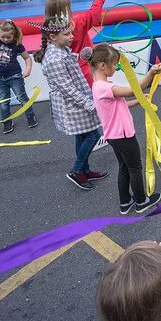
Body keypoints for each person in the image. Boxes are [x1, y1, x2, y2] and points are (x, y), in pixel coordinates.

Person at [82, 44, 161, 214]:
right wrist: (151, 73)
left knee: (125, 167)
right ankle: (141, 201)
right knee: (135, 167)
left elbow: (120, 104)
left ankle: (125, 202)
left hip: (114, 135)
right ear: (103, 65)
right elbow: (134, 89)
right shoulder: (106, 87)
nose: (116, 67)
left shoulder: (98, 86)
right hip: (123, 135)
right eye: (114, 64)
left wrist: (139, 101)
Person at [33, 16, 107, 191]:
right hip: (73, 105)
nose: (72, 37)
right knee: (93, 136)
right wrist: (89, 104)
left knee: (82, 135)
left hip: (79, 100)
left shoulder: (61, 50)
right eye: (66, 34)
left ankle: (85, 170)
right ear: (52, 37)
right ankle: (77, 170)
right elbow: (68, 89)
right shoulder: (54, 59)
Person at [44, 0, 109, 85]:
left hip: (67, 73)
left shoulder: (49, 31)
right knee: (93, 96)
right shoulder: (77, 22)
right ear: (67, 10)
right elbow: (94, 14)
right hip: (85, 69)